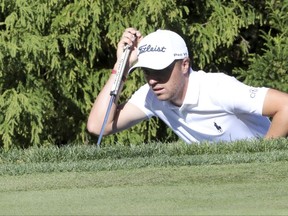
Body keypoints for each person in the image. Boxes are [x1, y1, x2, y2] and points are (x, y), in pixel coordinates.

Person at [87, 27, 288, 143]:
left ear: (185, 65)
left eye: (161, 70)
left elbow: (285, 106)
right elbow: (98, 126)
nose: (152, 80)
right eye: (147, 71)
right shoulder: (150, 97)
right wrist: (121, 67)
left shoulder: (217, 88)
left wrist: (261, 156)